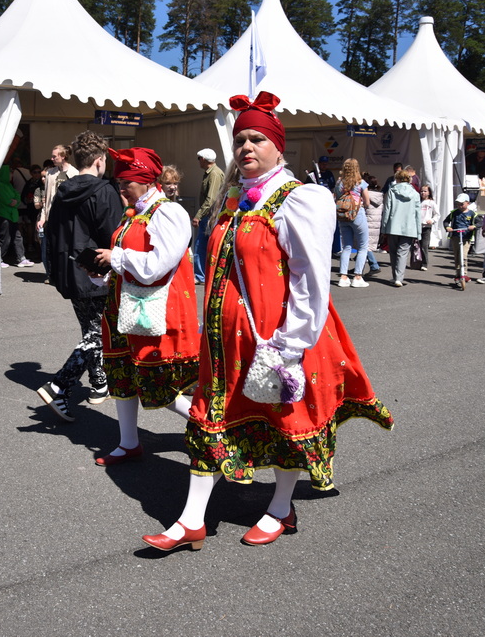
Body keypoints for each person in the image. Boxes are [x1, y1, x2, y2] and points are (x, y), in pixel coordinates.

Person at [141, 92, 392, 552]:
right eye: (240, 140)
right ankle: (190, 521)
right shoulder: (237, 199)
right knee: (208, 418)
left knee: (282, 420)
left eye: (257, 139)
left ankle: (280, 507)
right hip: (224, 344)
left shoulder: (300, 199)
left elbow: (310, 278)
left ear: (279, 147)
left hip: (275, 337)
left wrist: (290, 344)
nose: (246, 147)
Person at [91, 147, 199, 466]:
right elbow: (127, 263)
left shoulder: (168, 213)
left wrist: (117, 257)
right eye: (119, 183)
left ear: (147, 181)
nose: (121, 190)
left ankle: (208, 425)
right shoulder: (135, 214)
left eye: (126, 183)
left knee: (157, 382)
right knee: (122, 375)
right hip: (122, 307)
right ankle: (128, 442)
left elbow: (157, 266)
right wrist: (103, 270)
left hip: (152, 310)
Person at [36, 131, 123, 421]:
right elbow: (113, 236)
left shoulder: (63, 190)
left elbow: (53, 233)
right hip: (98, 271)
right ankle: (59, 386)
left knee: (90, 331)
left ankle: (99, 383)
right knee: (98, 334)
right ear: (99, 160)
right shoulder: (104, 191)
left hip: (70, 270)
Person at [38, 144, 78, 279]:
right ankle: (51, 274)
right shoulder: (50, 174)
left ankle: (67, 274)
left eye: (54, 156)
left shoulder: (75, 174)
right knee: (50, 247)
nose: (52, 158)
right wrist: (42, 217)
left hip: (67, 218)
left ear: (63, 156)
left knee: (66, 247)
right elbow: (46, 198)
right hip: (51, 216)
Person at [380, 169, 421, 287]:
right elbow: (418, 214)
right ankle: (399, 278)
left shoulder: (392, 191)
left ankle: (395, 277)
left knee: (393, 252)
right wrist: (418, 232)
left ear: (397, 179)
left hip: (393, 226)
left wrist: (384, 228)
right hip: (409, 227)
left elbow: (387, 210)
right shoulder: (415, 194)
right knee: (403, 253)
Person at [334, 158, 370, 288]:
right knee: (363, 246)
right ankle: (357, 277)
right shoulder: (361, 183)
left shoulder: (339, 182)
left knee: (346, 246)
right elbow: (367, 202)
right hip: (357, 214)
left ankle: (343, 277)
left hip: (343, 216)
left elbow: (336, 198)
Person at [192, 148, 224, 285]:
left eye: (199, 158)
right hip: (210, 214)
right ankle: (203, 275)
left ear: (203, 159)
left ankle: (200, 276)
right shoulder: (211, 173)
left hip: (210, 215)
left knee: (201, 245)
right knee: (206, 244)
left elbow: (210, 199)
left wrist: (198, 215)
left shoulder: (214, 174)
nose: (198, 161)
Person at [0, 161, 33, 268]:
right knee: (5, 238)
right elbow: (9, 200)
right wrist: (15, 201)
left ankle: (21, 258)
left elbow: (17, 197)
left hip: (12, 215)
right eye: (10, 173)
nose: (12, 175)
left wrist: (15, 201)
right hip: (4, 215)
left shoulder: (8, 185)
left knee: (17, 237)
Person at [443, 193, 479, 289]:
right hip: (456, 237)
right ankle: (458, 274)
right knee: (457, 256)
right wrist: (447, 227)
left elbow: (480, 223)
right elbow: (446, 221)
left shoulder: (472, 214)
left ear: (468, 203)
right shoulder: (454, 213)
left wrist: (474, 226)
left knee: (463, 256)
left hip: (466, 237)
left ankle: (464, 274)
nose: (460, 206)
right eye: (458, 204)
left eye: (462, 204)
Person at [419, 184, 439, 270]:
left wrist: (432, 220)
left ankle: (424, 263)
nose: (423, 193)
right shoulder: (418, 202)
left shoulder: (432, 203)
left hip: (426, 227)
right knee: (416, 245)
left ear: (429, 192)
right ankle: (416, 262)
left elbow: (437, 214)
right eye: (421, 191)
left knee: (424, 245)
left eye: (425, 191)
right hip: (417, 226)